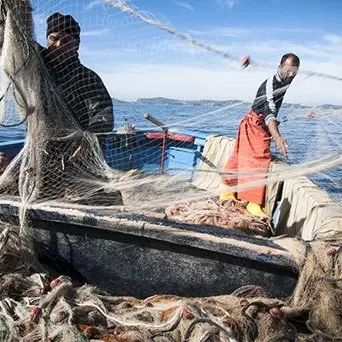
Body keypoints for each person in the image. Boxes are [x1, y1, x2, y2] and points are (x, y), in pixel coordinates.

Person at [220, 53, 300, 218]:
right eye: (288, 70)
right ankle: (253, 203)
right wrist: (277, 137)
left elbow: (274, 67)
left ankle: (227, 190)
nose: (291, 75)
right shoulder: (269, 86)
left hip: (263, 124)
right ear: (280, 67)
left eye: (294, 71)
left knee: (240, 156)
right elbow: (269, 112)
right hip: (255, 123)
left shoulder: (287, 78)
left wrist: (251, 63)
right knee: (259, 158)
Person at [39, 12, 114, 134]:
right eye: (54, 38)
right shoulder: (34, 62)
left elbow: (103, 114)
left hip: (76, 144)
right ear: (47, 40)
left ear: (77, 45)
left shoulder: (88, 77)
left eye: (66, 40)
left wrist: (88, 140)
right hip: (40, 142)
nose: (58, 45)